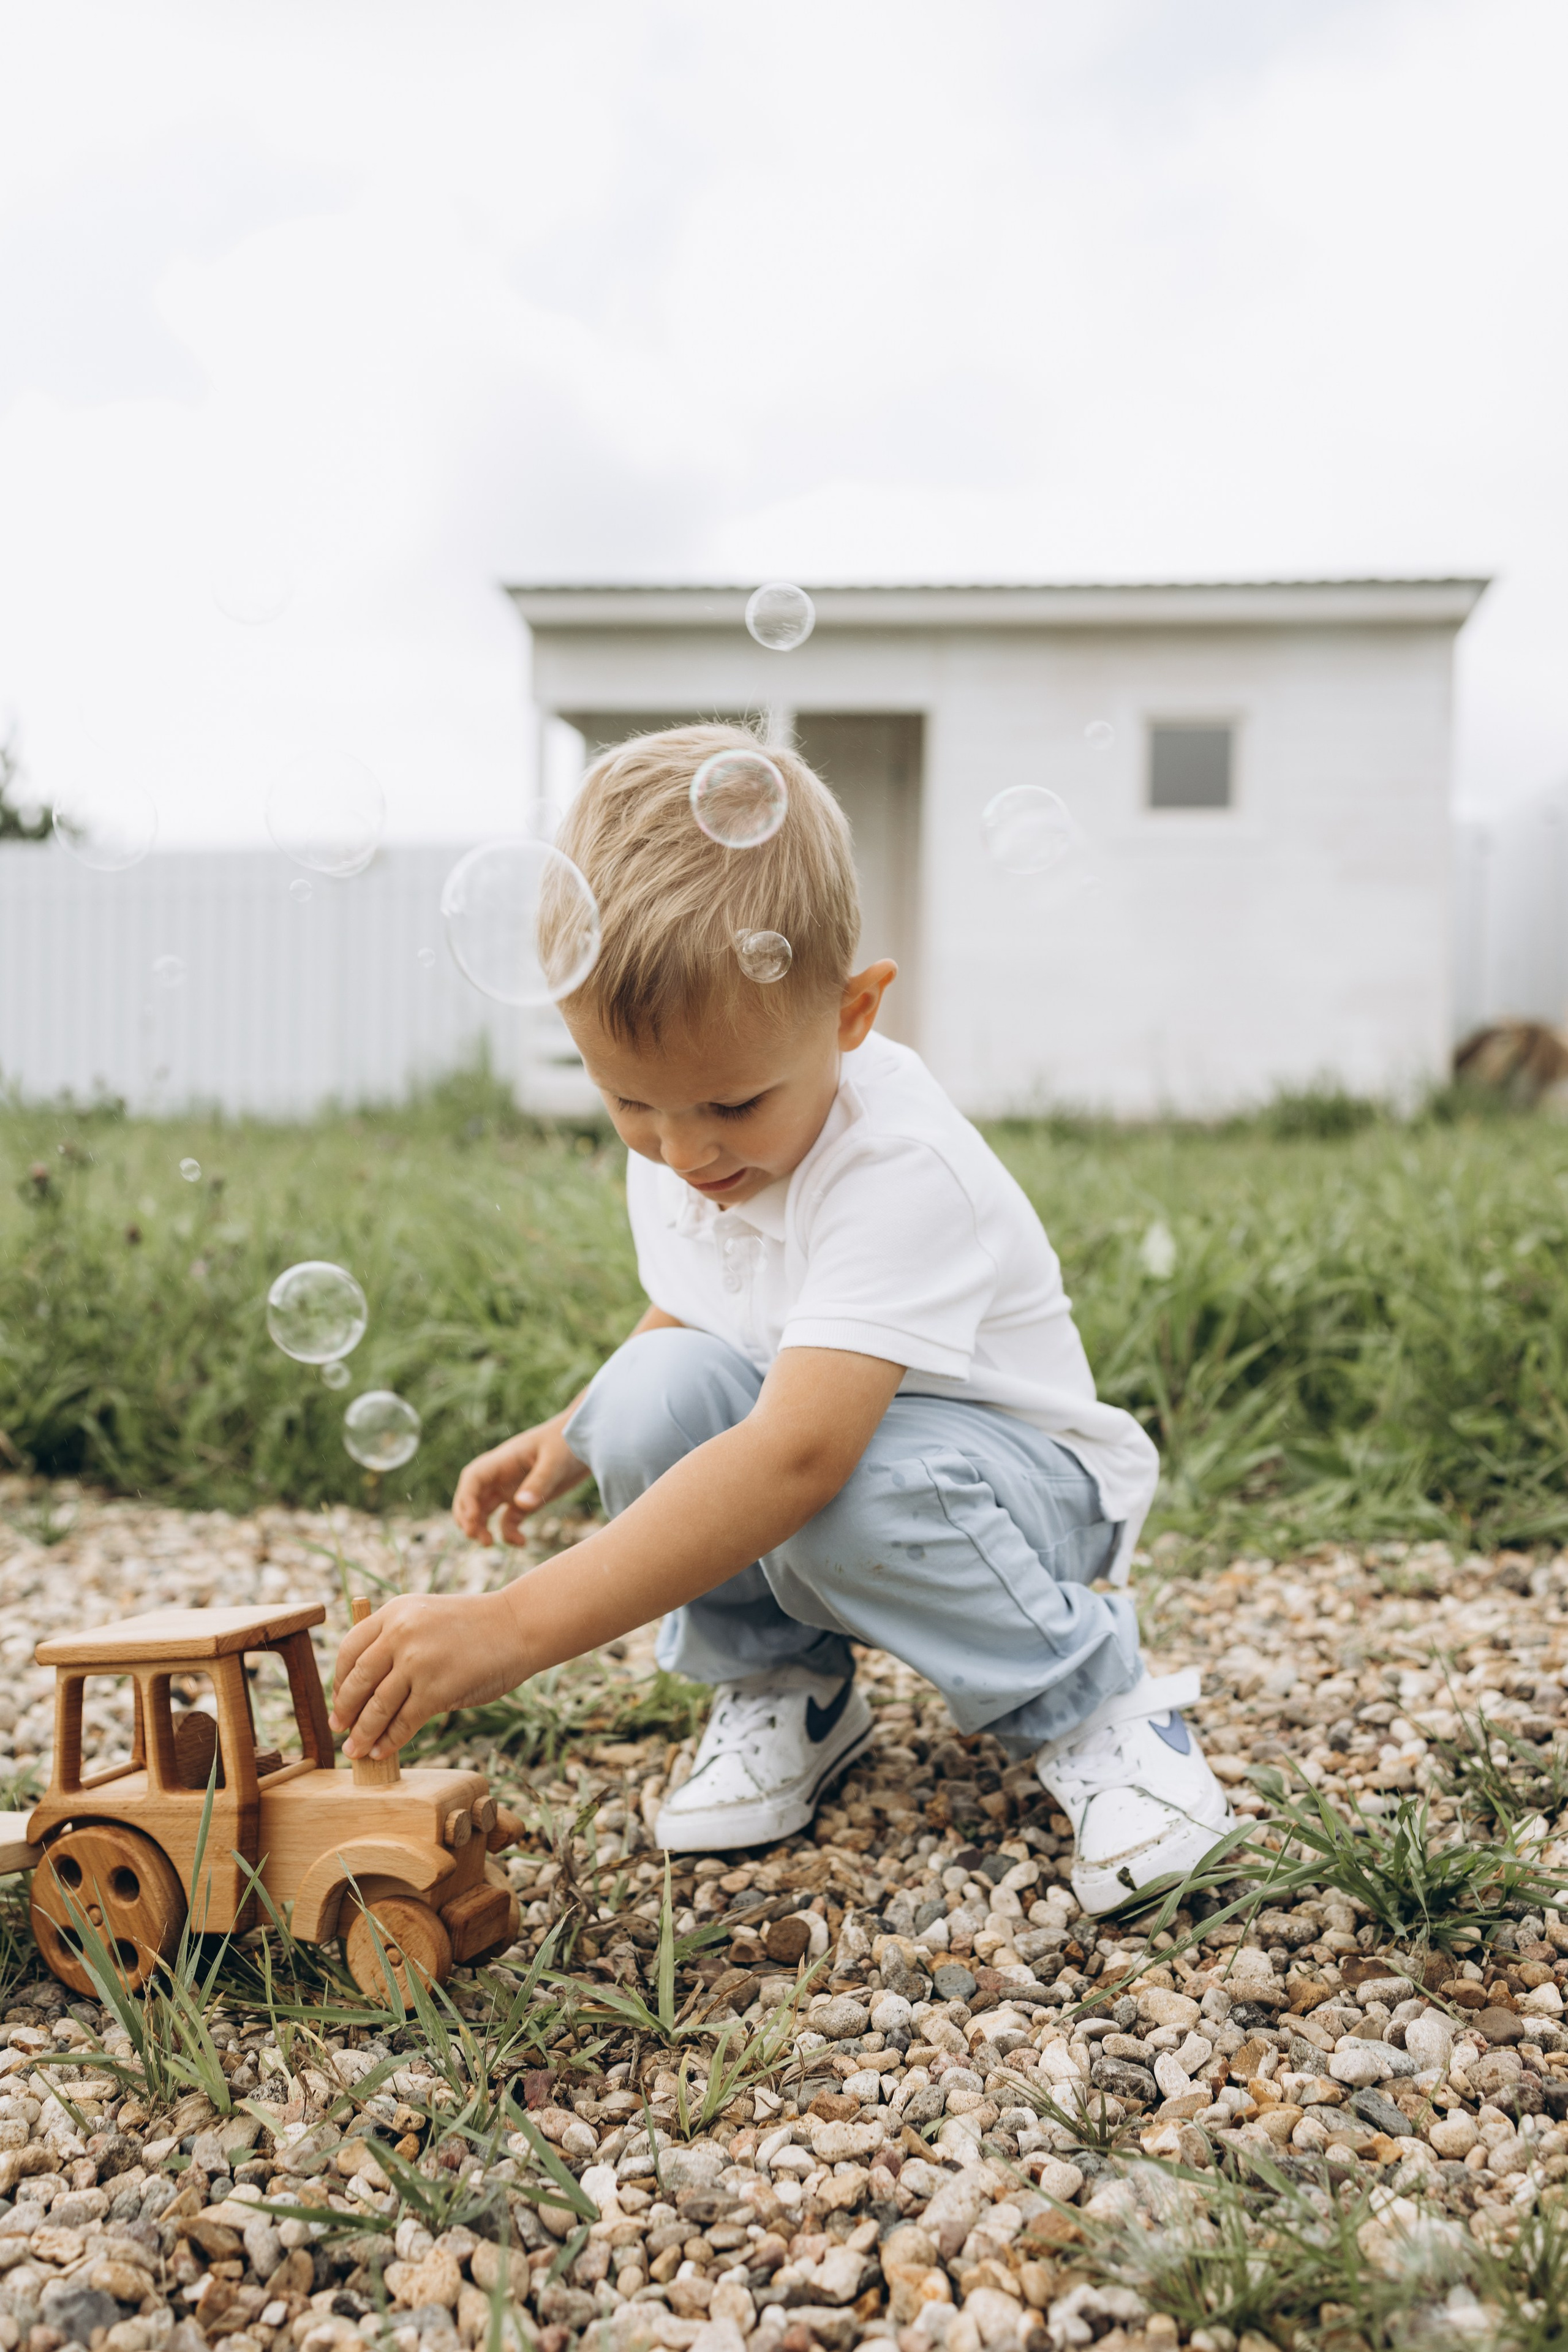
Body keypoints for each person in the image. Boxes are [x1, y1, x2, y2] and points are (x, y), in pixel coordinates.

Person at [330, 724, 1234, 1913]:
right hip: (841, 1480)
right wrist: (575, 1429)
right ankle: (781, 1687)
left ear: (852, 1014)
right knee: (653, 1400)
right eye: (630, 1103)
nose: (685, 1149)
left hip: (1019, 1497)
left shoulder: (895, 1165)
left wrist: (514, 1624)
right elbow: (699, 1309)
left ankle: (1098, 1709)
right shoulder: (685, 1146)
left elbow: (801, 1452)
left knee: (840, 1482)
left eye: (731, 1103)